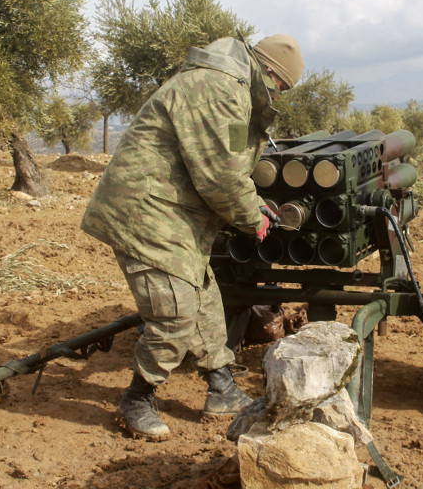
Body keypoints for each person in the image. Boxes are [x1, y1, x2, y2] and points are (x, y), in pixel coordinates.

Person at [81, 34, 304, 440]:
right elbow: (219, 175)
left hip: (172, 212)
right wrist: (253, 219)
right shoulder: (219, 87)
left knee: (203, 300)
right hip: (145, 211)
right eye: (280, 89)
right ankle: (137, 398)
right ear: (269, 73)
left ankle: (221, 387)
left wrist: (255, 205)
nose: (276, 97)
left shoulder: (231, 87)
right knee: (174, 314)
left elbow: (230, 163)